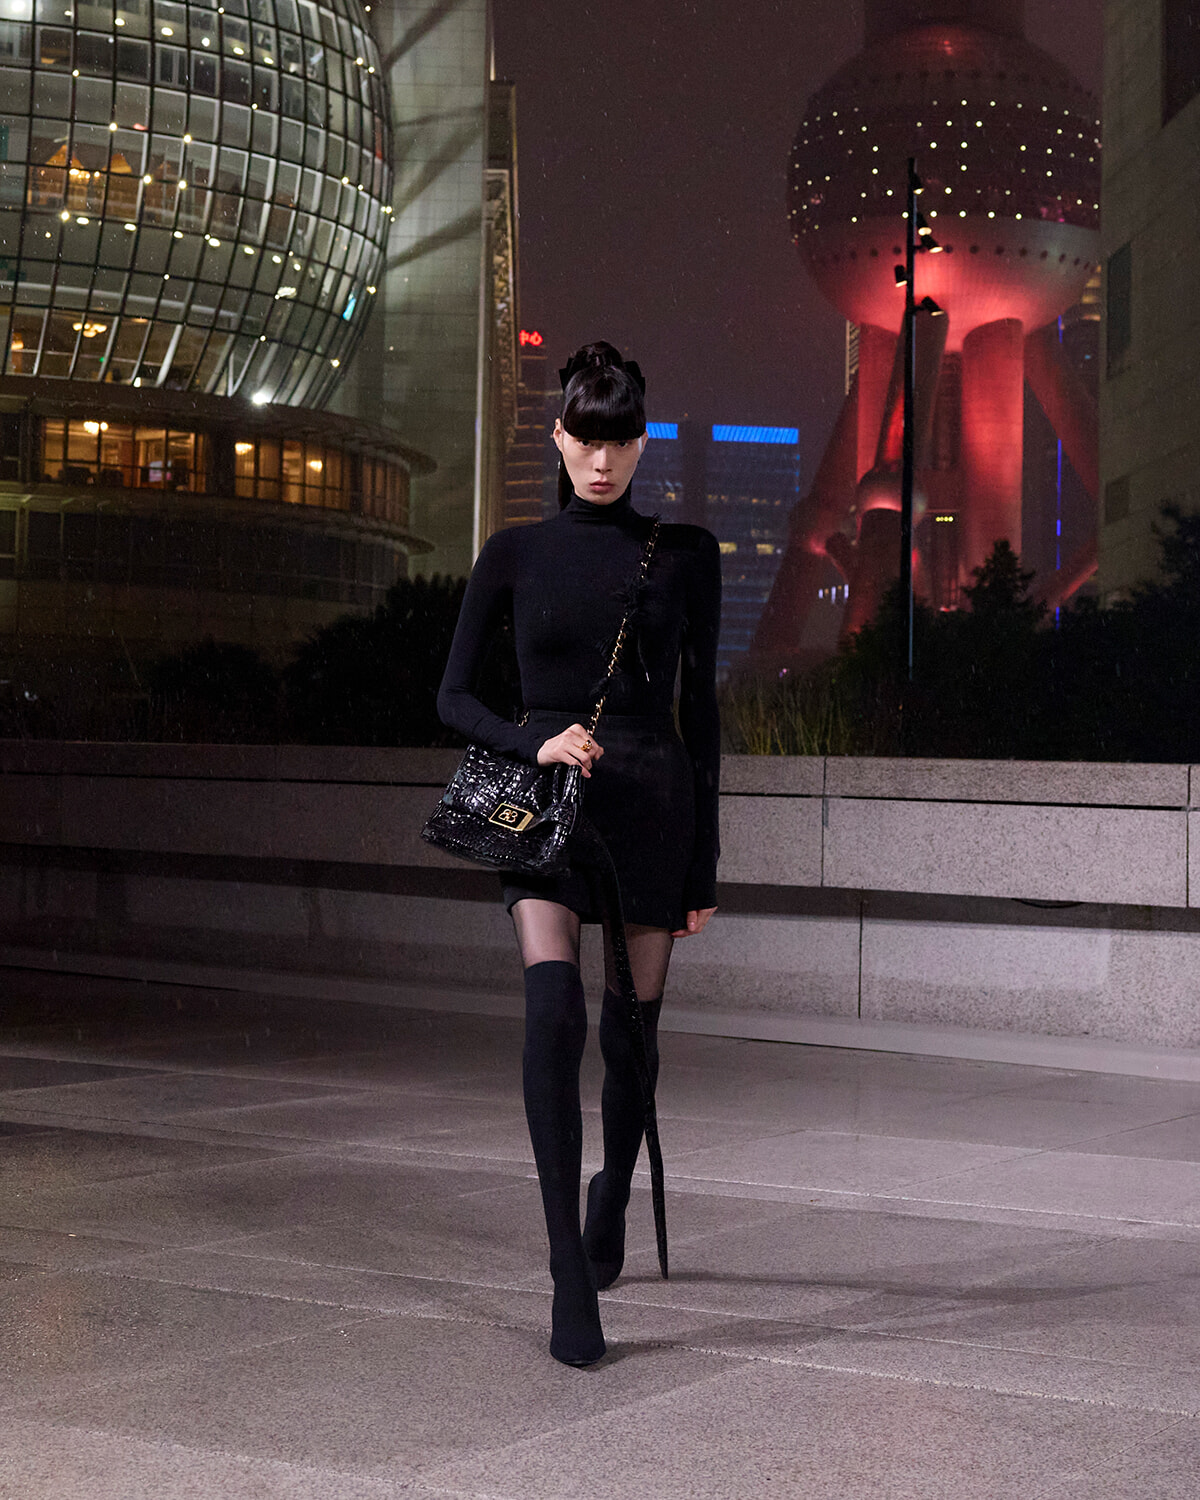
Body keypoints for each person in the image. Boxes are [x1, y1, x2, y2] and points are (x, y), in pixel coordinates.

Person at [437, 341, 721, 1367]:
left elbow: (706, 715)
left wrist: (705, 870)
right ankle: (570, 1269)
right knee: (553, 1012)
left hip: (654, 804)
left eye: (620, 441)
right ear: (556, 438)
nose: (602, 460)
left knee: (634, 1039)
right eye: (585, 439)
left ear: (643, 445)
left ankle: (613, 1192)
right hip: (548, 807)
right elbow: (453, 697)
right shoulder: (513, 552)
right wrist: (534, 738)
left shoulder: (685, 553)